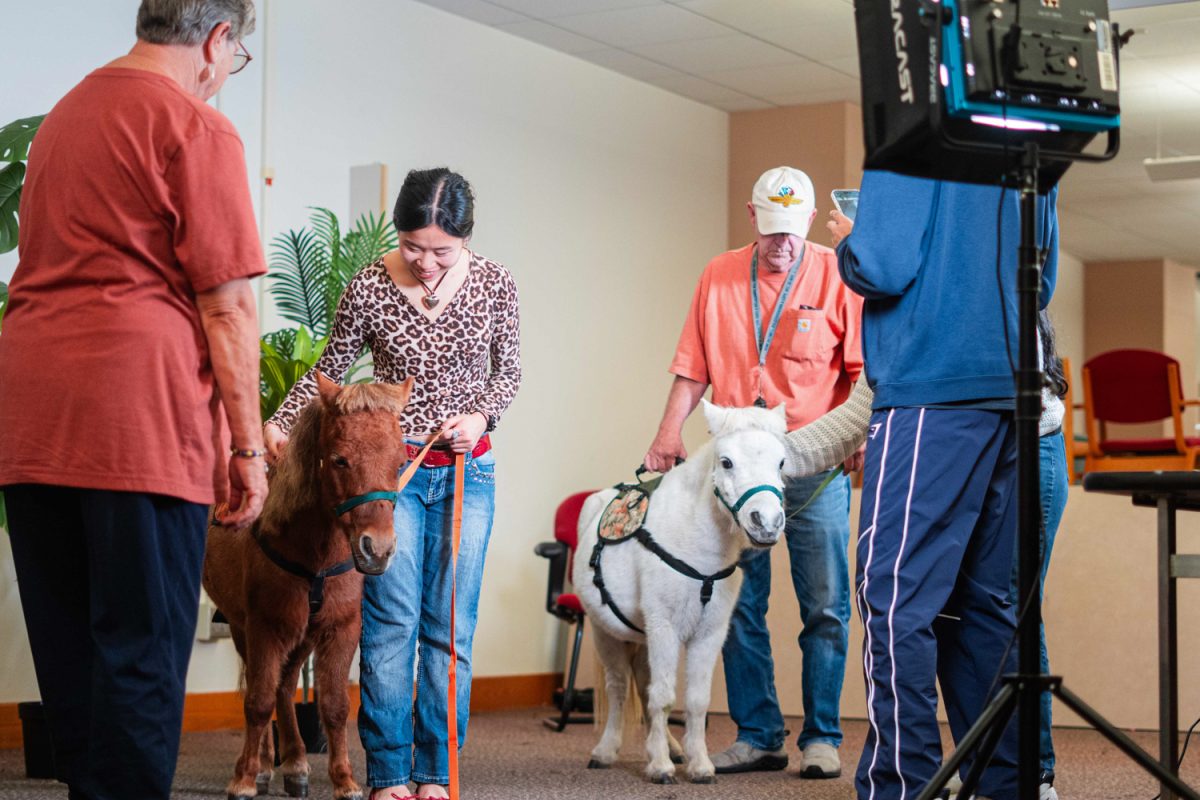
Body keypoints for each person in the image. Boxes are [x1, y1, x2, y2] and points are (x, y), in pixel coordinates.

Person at [0, 2, 267, 798]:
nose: (227, 75)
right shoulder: (195, 123)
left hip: (32, 422)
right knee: (142, 658)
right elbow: (227, 306)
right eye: (236, 56)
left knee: (74, 660)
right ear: (218, 39)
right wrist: (247, 447)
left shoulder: (68, 113)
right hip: (137, 426)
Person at [264, 168, 521, 800]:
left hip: (468, 472)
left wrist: (481, 414)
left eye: (441, 250)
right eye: (413, 247)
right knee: (389, 625)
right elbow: (328, 369)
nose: (426, 263)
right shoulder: (370, 286)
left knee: (449, 628)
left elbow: (507, 371)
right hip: (391, 478)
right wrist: (278, 419)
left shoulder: (494, 284)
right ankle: (389, 775)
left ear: (465, 240)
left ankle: (435, 772)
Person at [828, 169, 1058, 800]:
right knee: (985, 603)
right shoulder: (1026, 137)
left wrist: (853, 241)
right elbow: (1046, 276)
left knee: (895, 595)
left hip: (932, 390)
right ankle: (1004, 786)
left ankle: (903, 787)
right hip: (1014, 395)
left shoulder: (911, 134)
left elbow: (882, 265)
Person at [643, 166, 863, 779]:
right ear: (752, 217)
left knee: (825, 605)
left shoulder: (838, 272)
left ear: (811, 222)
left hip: (811, 466)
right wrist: (667, 433)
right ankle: (759, 732)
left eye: (793, 232)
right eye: (771, 231)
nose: (782, 244)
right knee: (737, 605)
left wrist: (858, 441)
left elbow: (860, 372)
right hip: (739, 473)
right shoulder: (718, 274)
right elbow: (692, 365)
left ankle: (821, 737)